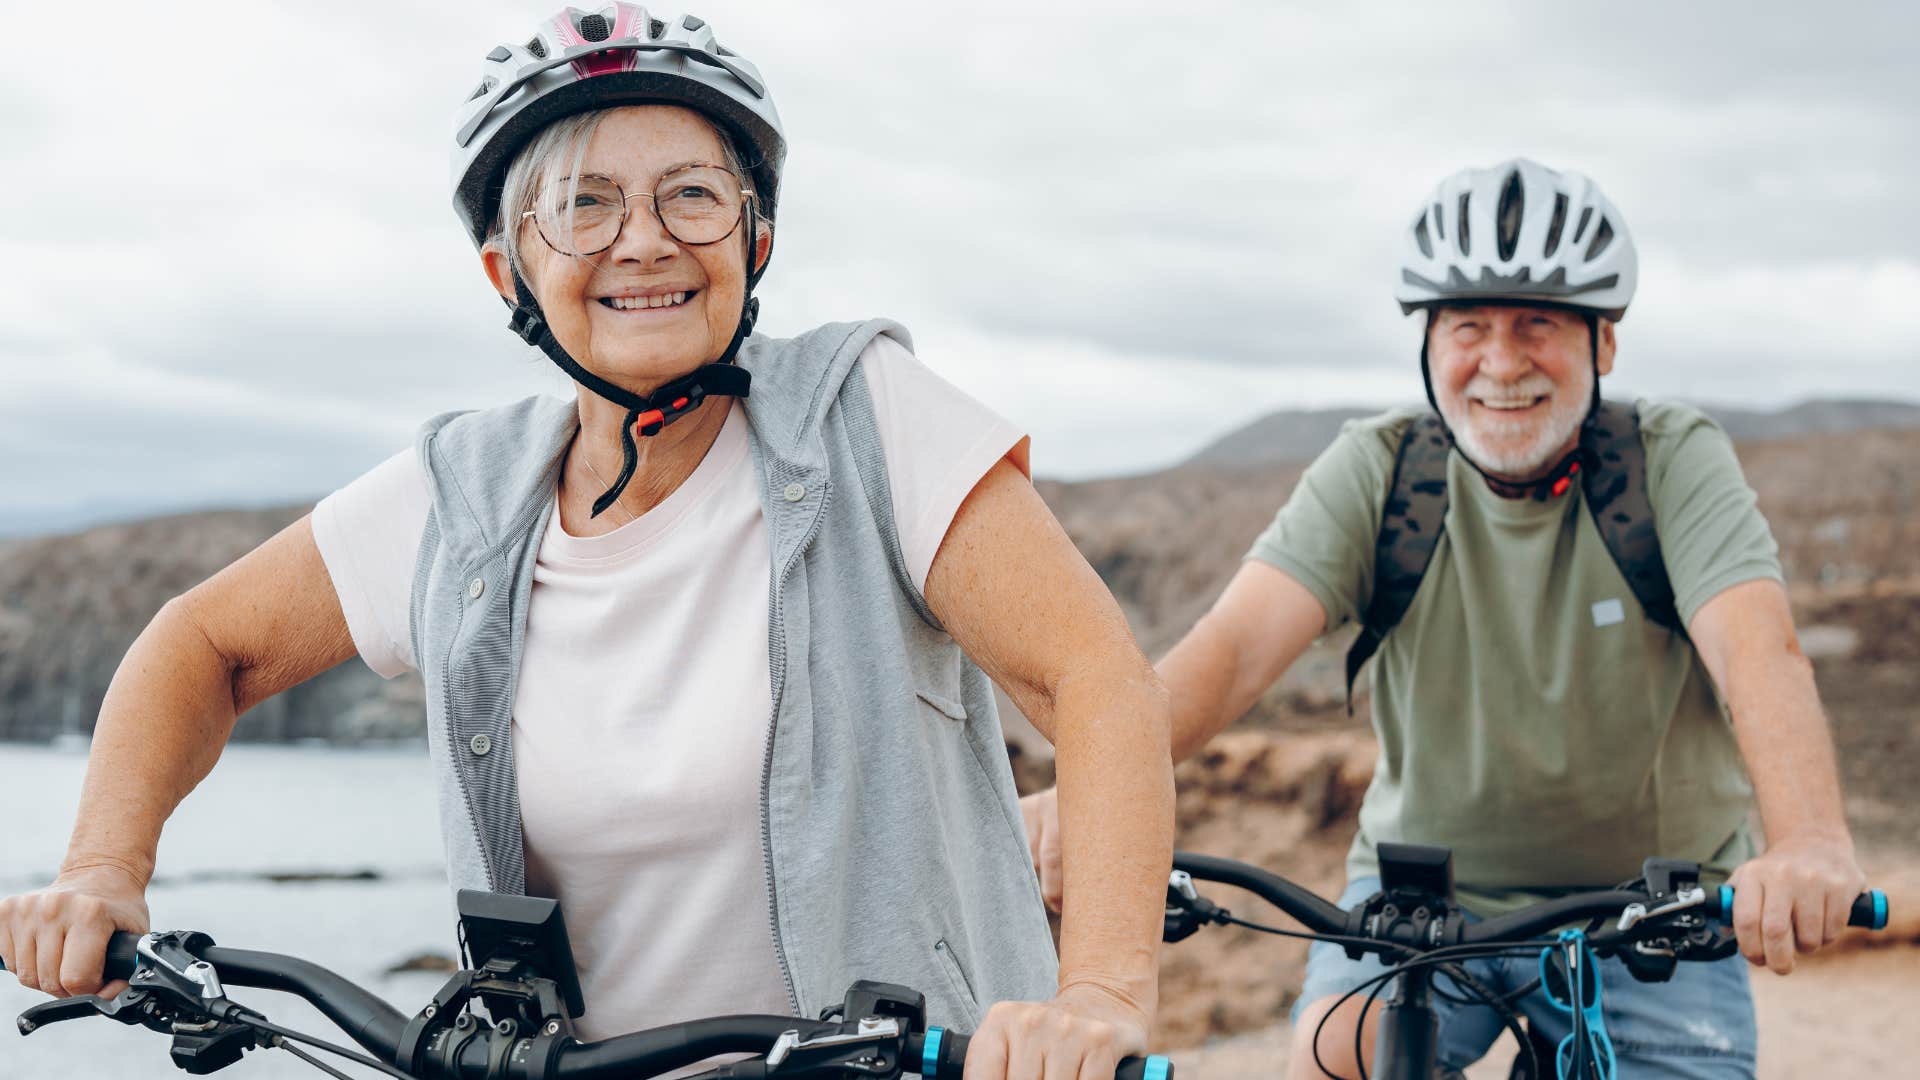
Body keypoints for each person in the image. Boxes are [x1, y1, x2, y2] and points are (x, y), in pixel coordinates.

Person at [0, 7, 1174, 1078]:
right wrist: (105, 868)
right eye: (583, 204)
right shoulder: (462, 492)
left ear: (755, 237)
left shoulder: (866, 417)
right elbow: (204, 641)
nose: (646, 242)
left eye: (694, 195)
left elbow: (1092, 678)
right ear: (509, 269)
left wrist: (1102, 993)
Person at [1022, 158, 1865, 1077]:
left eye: (1538, 324)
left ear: (1604, 344)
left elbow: (1760, 657)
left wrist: (1811, 841)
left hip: (1652, 917)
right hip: (1418, 906)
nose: (1502, 362)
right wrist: (1092, 795)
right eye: (1470, 326)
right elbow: (1228, 655)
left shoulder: (1673, 463)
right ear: (1428, 341)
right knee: (1330, 1055)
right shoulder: (1381, 473)